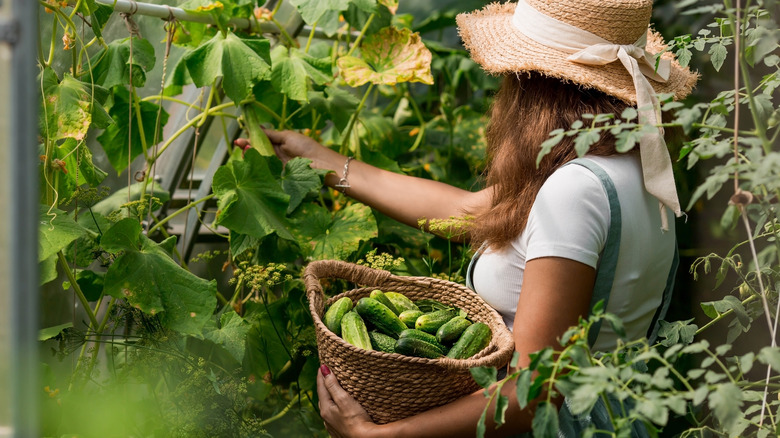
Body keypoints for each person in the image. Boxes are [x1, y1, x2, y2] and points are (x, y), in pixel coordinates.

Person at [237, 0, 698, 436]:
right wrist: (321, 160)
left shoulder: (573, 191)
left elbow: (534, 392)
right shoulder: (634, 169)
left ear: (533, 83)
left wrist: (386, 435)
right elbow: (467, 211)